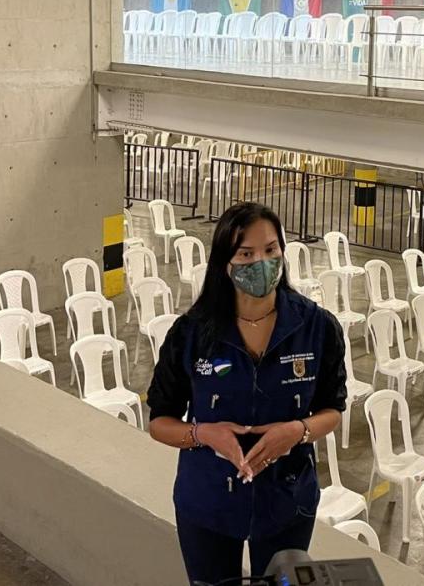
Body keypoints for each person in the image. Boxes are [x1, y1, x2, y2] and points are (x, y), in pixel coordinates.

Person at [147, 202, 346, 584]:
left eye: (271, 250)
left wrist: (298, 431)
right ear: (226, 263)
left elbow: (332, 409)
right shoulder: (191, 333)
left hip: (287, 499)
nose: (262, 263)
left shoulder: (316, 327)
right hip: (208, 499)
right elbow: (159, 422)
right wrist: (202, 434)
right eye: (246, 254)